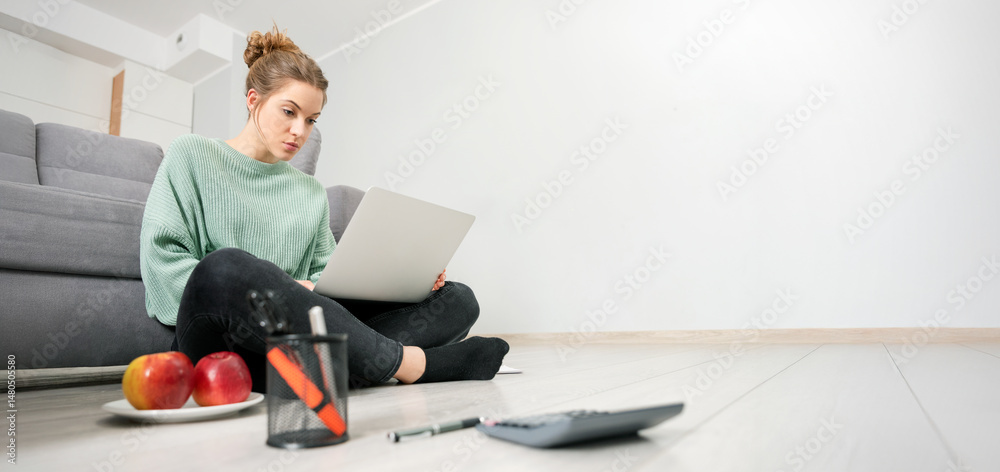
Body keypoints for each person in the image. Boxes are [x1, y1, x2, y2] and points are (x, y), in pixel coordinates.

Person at [139, 25, 509, 392]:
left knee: (457, 299)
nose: (300, 130)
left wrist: (408, 284)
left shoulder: (310, 192)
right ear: (253, 100)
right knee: (224, 266)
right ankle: (413, 364)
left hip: (291, 340)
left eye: (311, 120)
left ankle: (330, 370)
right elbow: (164, 265)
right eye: (289, 111)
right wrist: (284, 288)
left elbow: (328, 284)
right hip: (221, 338)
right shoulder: (191, 154)